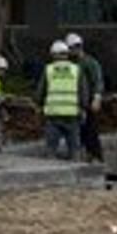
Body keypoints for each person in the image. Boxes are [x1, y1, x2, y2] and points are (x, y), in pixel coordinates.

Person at [35, 39, 87, 160]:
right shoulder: (76, 70)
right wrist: (83, 108)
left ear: (53, 54)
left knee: (51, 149)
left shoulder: (49, 70)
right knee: (74, 148)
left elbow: (40, 92)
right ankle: (77, 174)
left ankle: (51, 174)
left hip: (53, 115)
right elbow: (83, 91)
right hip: (72, 114)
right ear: (67, 54)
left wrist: (39, 105)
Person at [67, 32, 105, 163]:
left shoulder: (89, 63)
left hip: (88, 103)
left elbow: (97, 81)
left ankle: (96, 156)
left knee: (90, 131)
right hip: (76, 104)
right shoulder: (71, 64)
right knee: (80, 132)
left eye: (73, 48)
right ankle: (85, 156)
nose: (71, 51)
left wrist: (97, 97)